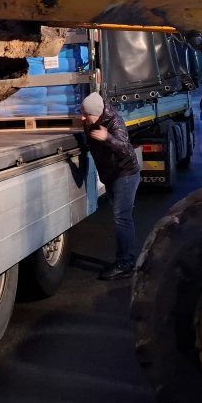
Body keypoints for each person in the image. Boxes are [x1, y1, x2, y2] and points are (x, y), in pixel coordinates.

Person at [81, 91, 141, 280]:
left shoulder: (115, 123)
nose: (82, 117)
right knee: (120, 217)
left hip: (125, 175)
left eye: (86, 114)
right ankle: (126, 260)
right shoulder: (91, 120)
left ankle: (125, 264)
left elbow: (125, 148)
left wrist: (107, 138)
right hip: (111, 175)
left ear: (97, 113)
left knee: (122, 218)